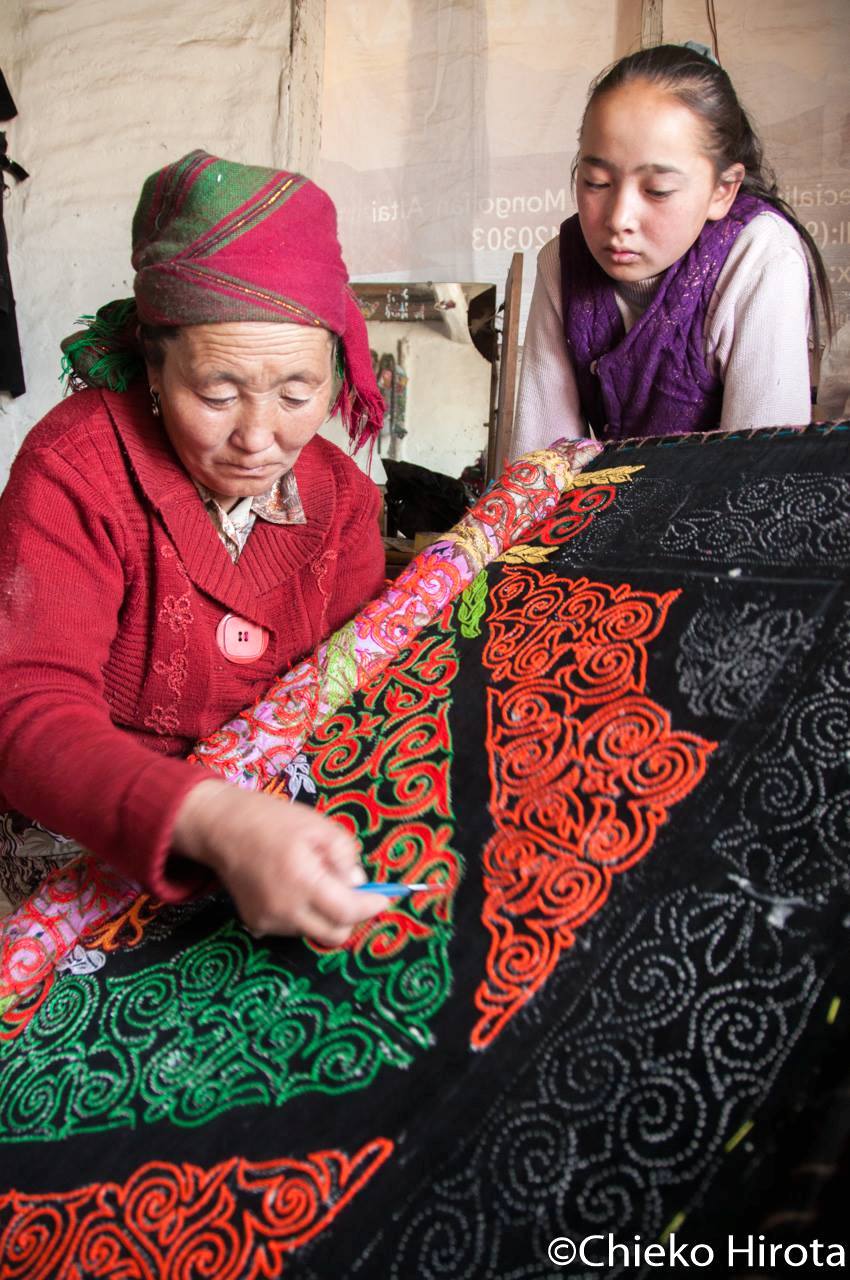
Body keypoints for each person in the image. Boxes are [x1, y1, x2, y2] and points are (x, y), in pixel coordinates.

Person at [0, 150, 393, 945]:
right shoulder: (77, 467)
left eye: (297, 392)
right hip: (76, 859)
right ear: (153, 361)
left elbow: (352, 704)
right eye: (216, 393)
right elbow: (25, 711)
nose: (258, 438)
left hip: (267, 853)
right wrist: (212, 818)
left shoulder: (345, 503)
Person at [508, 43, 834, 457]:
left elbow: (759, 476)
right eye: (596, 182)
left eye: (657, 190)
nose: (619, 218)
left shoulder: (759, 255)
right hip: (608, 513)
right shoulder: (561, 262)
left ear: (722, 190)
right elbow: (538, 464)